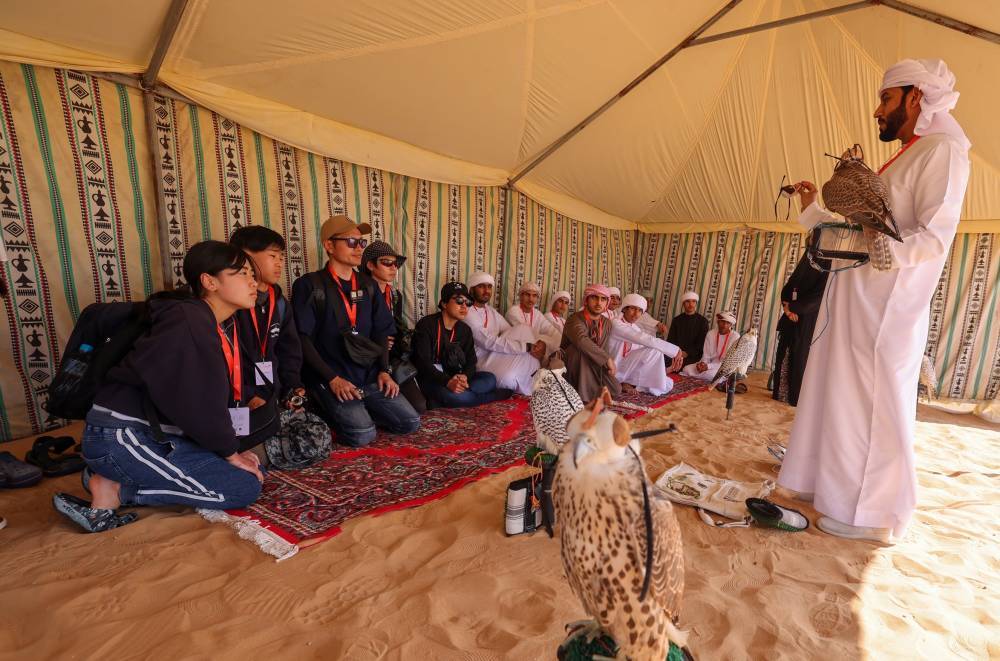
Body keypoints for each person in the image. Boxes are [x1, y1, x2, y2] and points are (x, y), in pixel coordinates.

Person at [779, 59, 971, 543]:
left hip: (888, 311)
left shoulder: (944, 151)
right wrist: (812, 213)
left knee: (872, 407)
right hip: (855, 302)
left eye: (886, 98)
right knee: (835, 398)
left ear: (915, 97)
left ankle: (872, 516)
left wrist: (882, 251)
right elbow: (861, 231)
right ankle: (826, 487)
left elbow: (933, 240)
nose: (877, 110)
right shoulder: (903, 156)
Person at [52, 241, 264, 533]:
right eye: (242, 273)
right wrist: (229, 452)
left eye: (252, 274)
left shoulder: (204, 320)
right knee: (242, 488)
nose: (253, 282)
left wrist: (232, 450)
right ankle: (113, 489)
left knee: (255, 469)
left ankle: (109, 476)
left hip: (151, 433)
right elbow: (194, 402)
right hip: (120, 437)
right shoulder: (189, 320)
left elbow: (197, 402)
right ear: (209, 281)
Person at [292, 215, 420, 447]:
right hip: (332, 376)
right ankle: (331, 409)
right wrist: (332, 379)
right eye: (351, 242)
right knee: (363, 435)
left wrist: (383, 371)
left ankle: (360, 412)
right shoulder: (309, 285)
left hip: (369, 375)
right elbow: (302, 338)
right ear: (329, 246)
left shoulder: (368, 285)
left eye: (361, 242)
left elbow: (382, 331)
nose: (359, 248)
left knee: (410, 422)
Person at [229, 226, 307, 451]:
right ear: (246, 256)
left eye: (281, 257)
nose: (279, 263)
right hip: (237, 400)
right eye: (272, 256)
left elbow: (289, 351)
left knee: (308, 438)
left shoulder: (279, 302)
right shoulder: (229, 303)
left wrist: (293, 388)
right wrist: (247, 396)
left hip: (272, 395)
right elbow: (218, 361)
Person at [412, 282, 513, 408]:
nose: (464, 306)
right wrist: (447, 381)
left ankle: (444, 400)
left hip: (455, 376)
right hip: (432, 378)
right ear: (444, 303)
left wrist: (465, 376)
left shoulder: (464, 329)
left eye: (468, 302)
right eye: (459, 301)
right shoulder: (427, 325)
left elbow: (471, 361)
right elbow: (422, 363)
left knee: (490, 378)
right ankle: (490, 397)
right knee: (460, 397)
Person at [360, 240, 426, 414]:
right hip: (366, 356)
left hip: (391, 357)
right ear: (370, 265)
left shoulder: (395, 294)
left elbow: (394, 325)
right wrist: (377, 343)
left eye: (395, 264)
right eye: (386, 263)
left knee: (419, 406)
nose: (393, 268)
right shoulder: (359, 293)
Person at [466, 271, 546, 395]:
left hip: (496, 355)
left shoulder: (490, 311)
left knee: (524, 329)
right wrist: (526, 346)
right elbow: (487, 341)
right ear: (471, 289)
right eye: (481, 286)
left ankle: (535, 381)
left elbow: (513, 331)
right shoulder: (467, 312)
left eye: (489, 287)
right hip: (480, 361)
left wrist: (538, 345)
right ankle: (526, 384)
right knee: (508, 379)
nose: (486, 291)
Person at [772, 251, 829, 406]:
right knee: (783, 356)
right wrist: (787, 308)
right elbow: (788, 287)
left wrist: (795, 308)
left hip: (806, 323)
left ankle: (795, 397)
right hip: (790, 319)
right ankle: (780, 394)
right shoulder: (807, 261)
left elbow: (819, 298)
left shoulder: (828, 266)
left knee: (800, 359)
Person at [610, 294, 686, 396]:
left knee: (667, 384)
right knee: (653, 349)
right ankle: (626, 382)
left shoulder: (635, 327)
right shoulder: (616, 324)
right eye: (633, 308)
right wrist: (676, 350)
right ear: (624, 309)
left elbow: (645, 356)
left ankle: (628, 383)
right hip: (613, 368)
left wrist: (668, 369)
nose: (636, 314)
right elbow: (643, 338)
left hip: (627, 368)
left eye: (640, 310)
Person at [561, 284, 620, 400]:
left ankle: (589, 389)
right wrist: (606, 359)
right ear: (586, 300)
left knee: (616, 389)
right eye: (594, 298)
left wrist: (606, 364)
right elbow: (581, 340)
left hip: (596, 362)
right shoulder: (575, 319)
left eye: (603, 299)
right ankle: (583, 396)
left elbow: (604, 347)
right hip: (574, 362)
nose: (599, 303)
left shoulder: (606, 322)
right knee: (580, 350)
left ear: (606, 303)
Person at [681, 311, 741, 383]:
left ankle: (719, 378)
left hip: (725, 367)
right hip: (708, 365)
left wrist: (708, 367)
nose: (725, 325)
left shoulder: (735, 336)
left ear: (731, 324)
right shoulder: (711, 334)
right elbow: (706, 355)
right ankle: (711, 377)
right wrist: (702, 364)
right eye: (722, 322)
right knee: (686, 369)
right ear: (718, 322)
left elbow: (729, 363)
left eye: (728, 323)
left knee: (711, 375)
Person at [505, 282, 562, 358]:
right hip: (517, 351)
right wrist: (543, 342)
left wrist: (560, 340)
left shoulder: (537, 314)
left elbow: (551, 330)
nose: (531, 299)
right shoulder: (513, 311)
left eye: (534, 296)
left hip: (536, 349)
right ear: (521, 296)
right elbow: (525, 334)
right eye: (527, 295)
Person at [666, 291, 710, 368]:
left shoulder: (703, 321)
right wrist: (677, 352)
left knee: (683, 366)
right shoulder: (677, 320)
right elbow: (671, 340)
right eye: (687, 301)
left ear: (696, 303)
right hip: (676, 353)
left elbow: (701, 343)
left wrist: (687, 353)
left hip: (694, 355)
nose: (691, 304)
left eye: (693, 301)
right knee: (662, 360)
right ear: (683, 304)